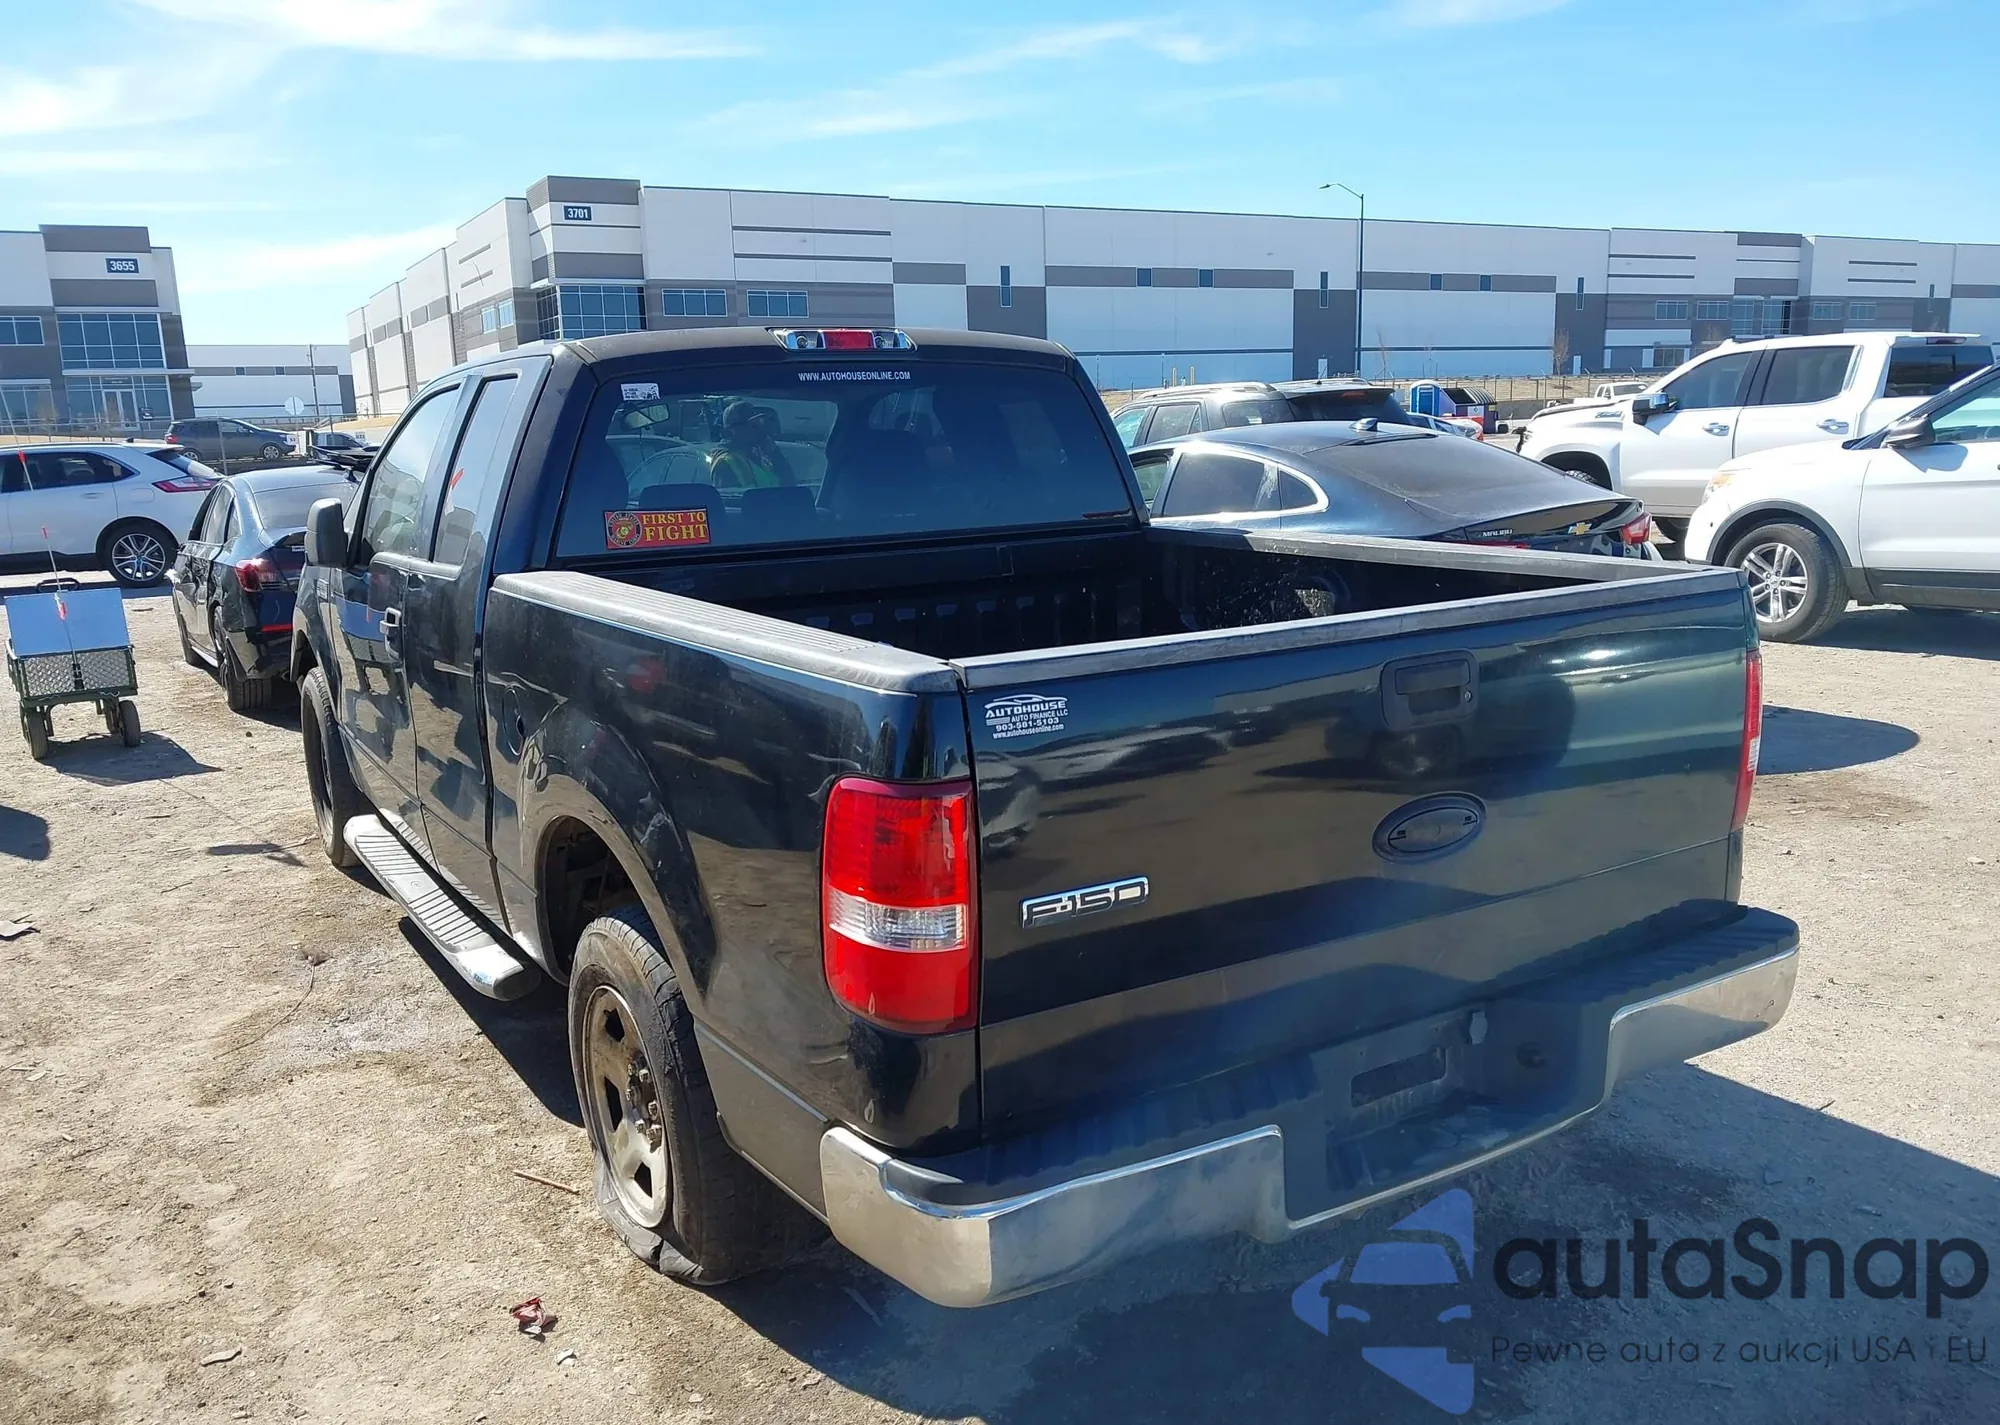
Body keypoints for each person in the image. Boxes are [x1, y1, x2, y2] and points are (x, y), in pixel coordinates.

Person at [706, 401, 795, 489]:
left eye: (758, 423)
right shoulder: (725, 462)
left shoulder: (762, 457)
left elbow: (789, 486)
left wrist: (775, 453)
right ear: (729, 431)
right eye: (750, 424)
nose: (757, 429)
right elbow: (727, 497)